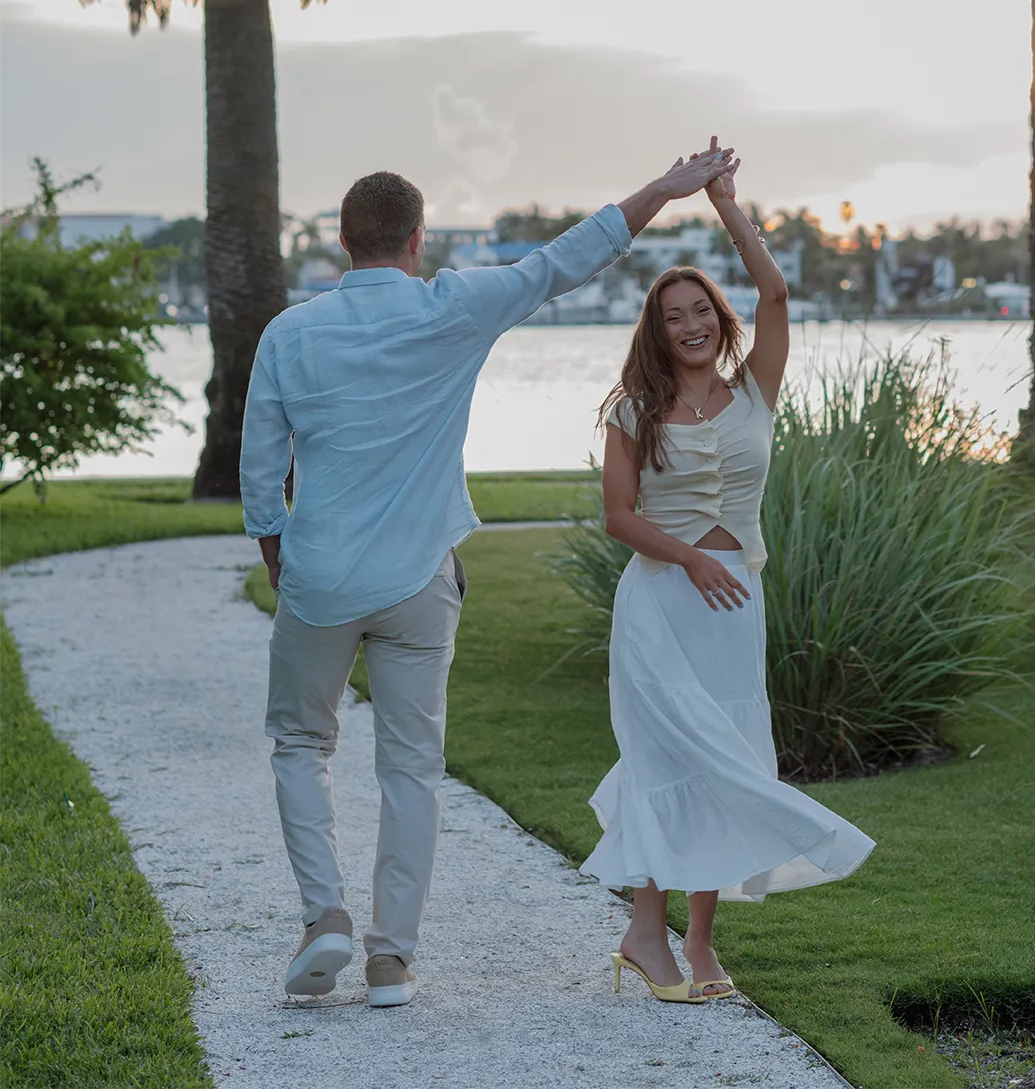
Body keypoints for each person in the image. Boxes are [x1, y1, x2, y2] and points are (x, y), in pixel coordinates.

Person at [240, 144, 736, 1008]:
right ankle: (391, 959)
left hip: (317, 580)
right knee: (412, 767)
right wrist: (663, 186)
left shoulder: (289, 333)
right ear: (415, 241)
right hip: (418, 582)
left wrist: (278, 556)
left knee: (299, 745)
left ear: (343, 243)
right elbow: (564, 261)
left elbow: (258, 470)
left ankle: (324, 917)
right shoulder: (454, 307)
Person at [581, 140, 875, 1003]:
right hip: (661, 606)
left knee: (729, 763)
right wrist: (689, 563)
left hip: (732, 607)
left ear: (718, 315)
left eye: (700, 307)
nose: (691, 323)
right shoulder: (633, 409)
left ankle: (698, 943)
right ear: (657, 330)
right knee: (668, 756)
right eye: (673, 315)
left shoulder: (756, 391)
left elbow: (777, 291)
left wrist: (723, 201)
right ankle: (645, 928)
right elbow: (619, 517)